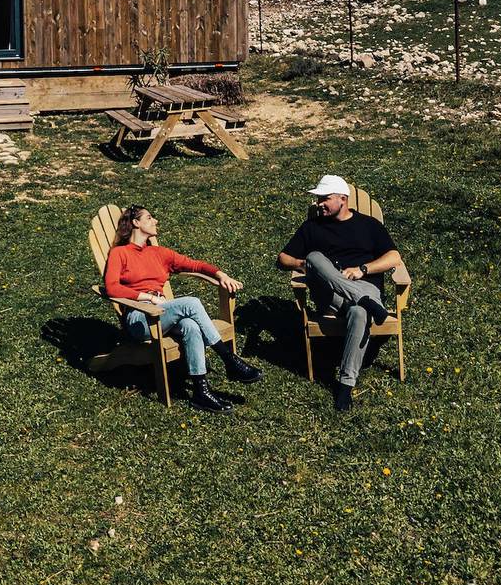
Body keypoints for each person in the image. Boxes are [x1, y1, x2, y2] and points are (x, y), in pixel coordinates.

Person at [103, 205, 262, 413]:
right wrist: (148, 298)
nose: (155, 221)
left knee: (190, 326)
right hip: (140, 318)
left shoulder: (159, 253)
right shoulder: (119, 253)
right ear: (136, 223)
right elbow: (111, 287)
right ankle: (229, 360)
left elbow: (195, 265)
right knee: (191, 303)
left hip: (162, 314)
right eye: (149, 218)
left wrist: (221, 275)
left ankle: (200, 392)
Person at [277, 174, 402, 412]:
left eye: (324, 198)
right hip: (331, 296)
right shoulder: (312, 227)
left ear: (343, 199)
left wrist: (363, 269)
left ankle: (345, 384)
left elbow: (394, 257)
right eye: (318, 199)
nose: (319, 204)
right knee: (315, 257)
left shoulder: (369, 225)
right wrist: (306, 265)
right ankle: (364, 301)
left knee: (359, 313)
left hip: (365, 285)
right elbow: (282, 258)